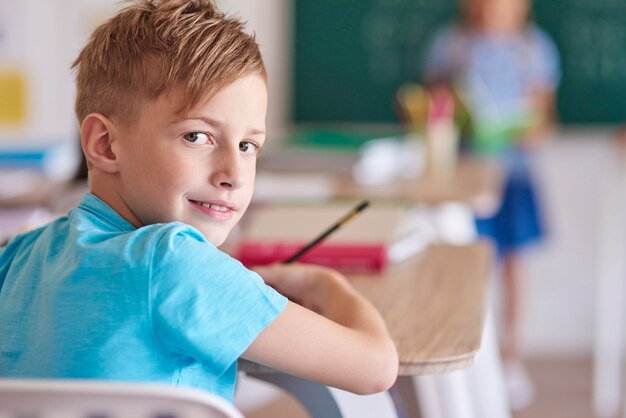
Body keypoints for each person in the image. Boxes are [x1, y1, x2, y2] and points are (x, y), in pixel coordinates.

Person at [0, 0, 398, 403]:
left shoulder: (17, 256)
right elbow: (376, 368)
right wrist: (326, 284)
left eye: (247, 145)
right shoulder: (175, 262)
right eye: (197, 136)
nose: (235, 174)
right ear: (105, 144)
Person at [422, 0, 560, 410]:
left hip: (513, 178)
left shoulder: (535, 50)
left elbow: (545, 122)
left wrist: (521, 127)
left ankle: (510, 358)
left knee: (514, 267)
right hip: (462, 181)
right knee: (467, 268)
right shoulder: (449, 46)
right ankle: (470, 356)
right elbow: (433, 109)